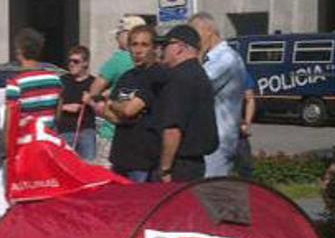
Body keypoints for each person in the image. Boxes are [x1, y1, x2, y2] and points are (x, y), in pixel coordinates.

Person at [155, 25, 219, 182]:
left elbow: (173, 129)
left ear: (179, 48)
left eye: (165, 46)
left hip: (179, 165)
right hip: (195, 165)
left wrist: (165, 169)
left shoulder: (179, 79)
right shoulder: (198, 73)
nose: (161, 51)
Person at [105, 25, 166, 182]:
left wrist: (116, 106)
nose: (138, 50)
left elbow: (129, 110)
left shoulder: (157, 75)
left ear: (154, 48)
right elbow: (106, 109)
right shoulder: (127, 76)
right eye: (134, 44)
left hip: (143, 159)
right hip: (120, 155)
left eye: (144, 45)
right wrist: (118, 110)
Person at [84, 15, 147, 167]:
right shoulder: (150, 62)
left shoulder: (118, 60)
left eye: (119, 34)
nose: (116, 38)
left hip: (112, 131)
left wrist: (99, 100)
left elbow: (94, 91)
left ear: (127, 34)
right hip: (141, 132)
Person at [189, 12, 246, 177]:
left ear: (209, 31)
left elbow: (197, 87)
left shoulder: (225, 59)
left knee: (212, 194)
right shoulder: (213, 58)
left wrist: (196, 56)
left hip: (218, 141)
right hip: (209, 139)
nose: (194, 41)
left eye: (195, 34)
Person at [5, 28, 63, 135]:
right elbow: (58, 116)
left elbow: (10, 122)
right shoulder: (55, 80)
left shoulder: (15, 84)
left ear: (19, 51)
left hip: (26, 142)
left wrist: (8, 148)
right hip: (48, 141)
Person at [56, 45, 96, 159]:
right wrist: (65, 107)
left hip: (86, 131)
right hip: (65, 131)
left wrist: (90, 102)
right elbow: (52, 104)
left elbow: (101, 110)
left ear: (85, 63)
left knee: (88, 167)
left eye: (76, 61)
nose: (71, 64)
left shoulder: (94, 83)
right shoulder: (62, 81)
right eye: (70, 61)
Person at [235, 71, 258, 177]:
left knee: (245, 166)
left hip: (237, 128)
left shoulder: (239, 72)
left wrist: (246, 124)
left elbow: (250, 98)